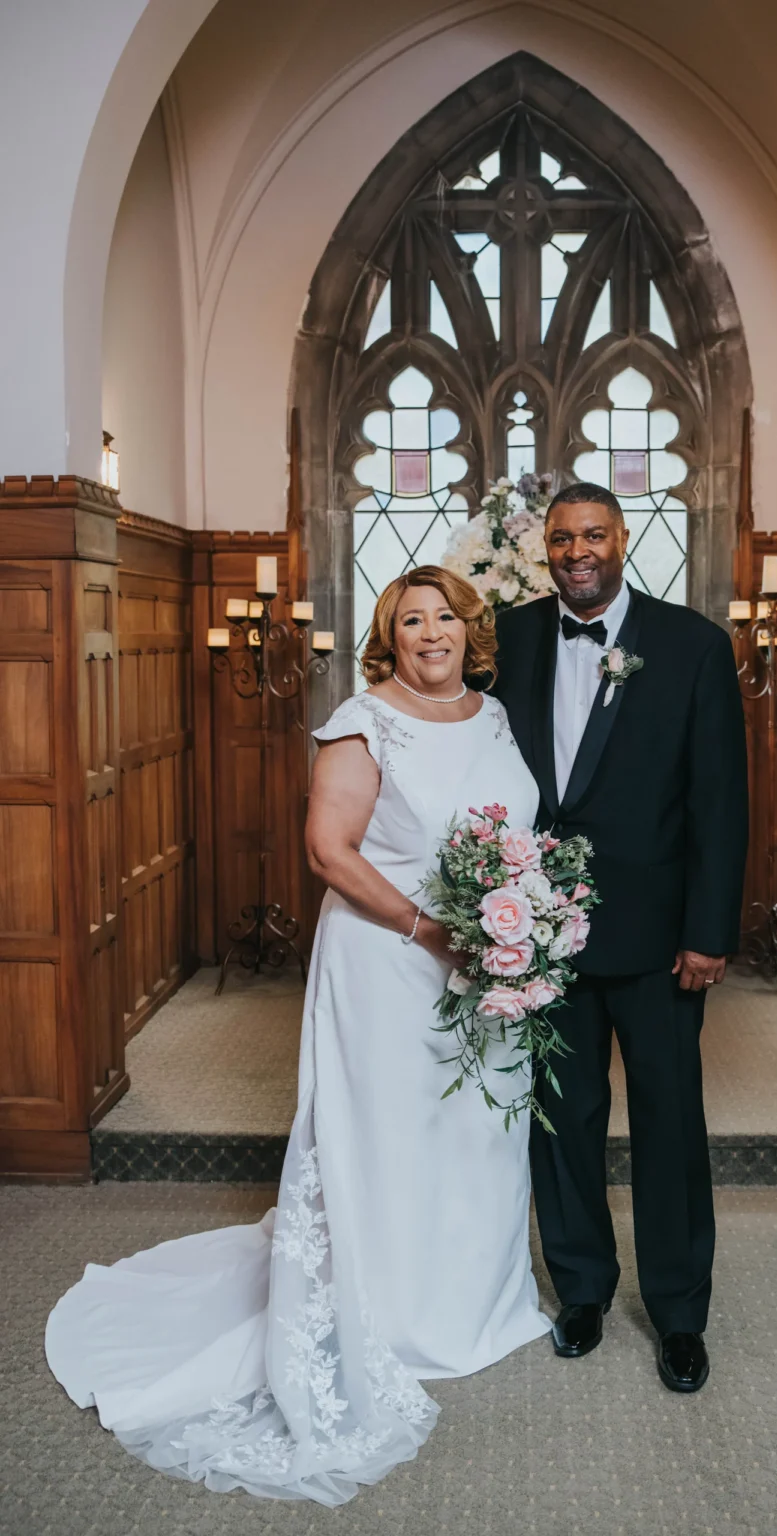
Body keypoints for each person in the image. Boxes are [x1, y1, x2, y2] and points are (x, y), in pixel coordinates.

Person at [45, 565, 550, 1504]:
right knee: (393, 1138)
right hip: (392, 963)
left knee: (480, 1131)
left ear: (470, 629)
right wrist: (430, 931)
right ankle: (389, 1315)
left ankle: (476, 1306)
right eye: (411, 621)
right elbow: (329, 851)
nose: (431, 634)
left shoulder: (493, 715)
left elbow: (511, 833)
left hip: (492, 966)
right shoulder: (363, 723)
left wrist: (516, 925)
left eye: (445, 617)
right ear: (388, 638)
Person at [492, 483, 748, 1393]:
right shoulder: (513, 636)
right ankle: (585, 1291)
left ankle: (680, 1314)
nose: (576, 551)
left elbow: (720, 801)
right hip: (543, 938)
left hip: (661, 942)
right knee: (563, 1124)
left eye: (593, 534)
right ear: (543, 550)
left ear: (622, 538)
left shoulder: (692, 646)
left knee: (670, 1126)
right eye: (561, 539)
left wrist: (709, 931)